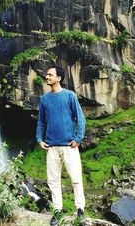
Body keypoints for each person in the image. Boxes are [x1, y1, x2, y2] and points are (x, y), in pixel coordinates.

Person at [36, 64, 86, 226]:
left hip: (69, 146)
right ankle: (57, 211)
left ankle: (80, 211)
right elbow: (41, 122)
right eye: (47, 75)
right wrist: (39, 139)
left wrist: (78, 138)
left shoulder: (69, 96)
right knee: (53, 181)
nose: (47, 77)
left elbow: (81, 118)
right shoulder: (44, 99)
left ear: (59, 78)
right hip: (51, 147)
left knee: (76, 179)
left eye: (50, 75)